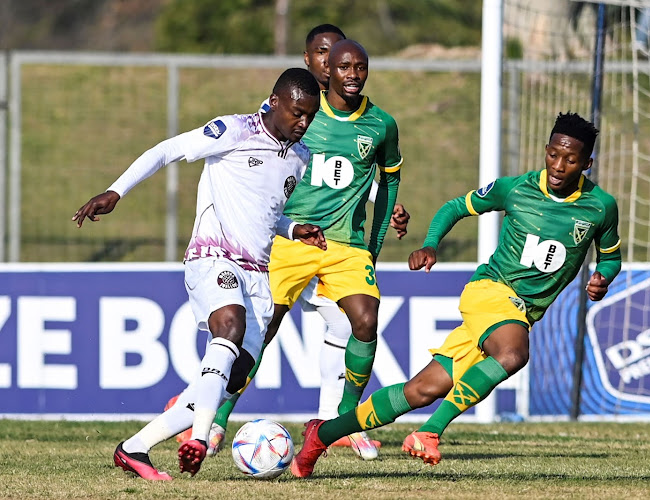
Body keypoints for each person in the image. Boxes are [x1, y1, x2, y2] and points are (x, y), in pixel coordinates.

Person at [289, 111, 622, 478]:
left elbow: (611, 257)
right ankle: (429, 432)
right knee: (513, 353)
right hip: (491, 292)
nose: (558, 166)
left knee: (420, 391)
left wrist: (602, 279)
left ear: (586, 163)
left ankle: (321, 436)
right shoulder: (515, 189)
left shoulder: (601, 207)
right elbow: (455, 207)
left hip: (515, 313)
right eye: (552, 154)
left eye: (570, 159)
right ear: (545, 150)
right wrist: (431, 243)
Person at [169, 24, 410, 461]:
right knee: (263, 330)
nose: (336, 65)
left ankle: (338, 421)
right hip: (291, 235)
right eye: (326, 56)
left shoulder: (377, 123)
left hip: (343, 244)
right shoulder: (296, 113)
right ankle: (215, 415)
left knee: (359, 321)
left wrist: (379, 220)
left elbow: (355, 174)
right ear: (313, 61)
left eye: (354, 63)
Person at [72, 67, 324, 481]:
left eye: (310, 116)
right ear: (275, 101)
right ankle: (201, 437)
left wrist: (294, 229)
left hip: (258, 274)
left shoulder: (301, 156)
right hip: (213, 256)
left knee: (231, 376)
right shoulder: (234, 130)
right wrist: (116, 191)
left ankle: (133, 449)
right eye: (297, 113)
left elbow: (265, 212)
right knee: (229, 327)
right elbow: (165, 150)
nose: (303, 123)